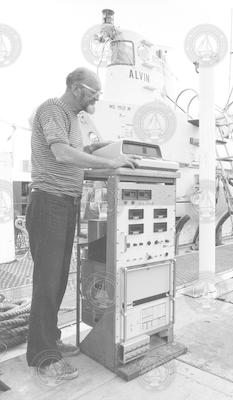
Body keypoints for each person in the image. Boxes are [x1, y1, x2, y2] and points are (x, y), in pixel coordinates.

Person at [26, 67, 138, 380]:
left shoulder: (73, 119)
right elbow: (61, 154)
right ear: (77, 87)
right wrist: (109, 162)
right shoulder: (53, 108)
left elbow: (72, 150)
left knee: (58, 279)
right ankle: (43, 356)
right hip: (49, 201)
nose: (98, 97)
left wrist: (90, 150)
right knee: (47, 281)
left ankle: (51, 341)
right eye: (94, 91)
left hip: (65, 203)